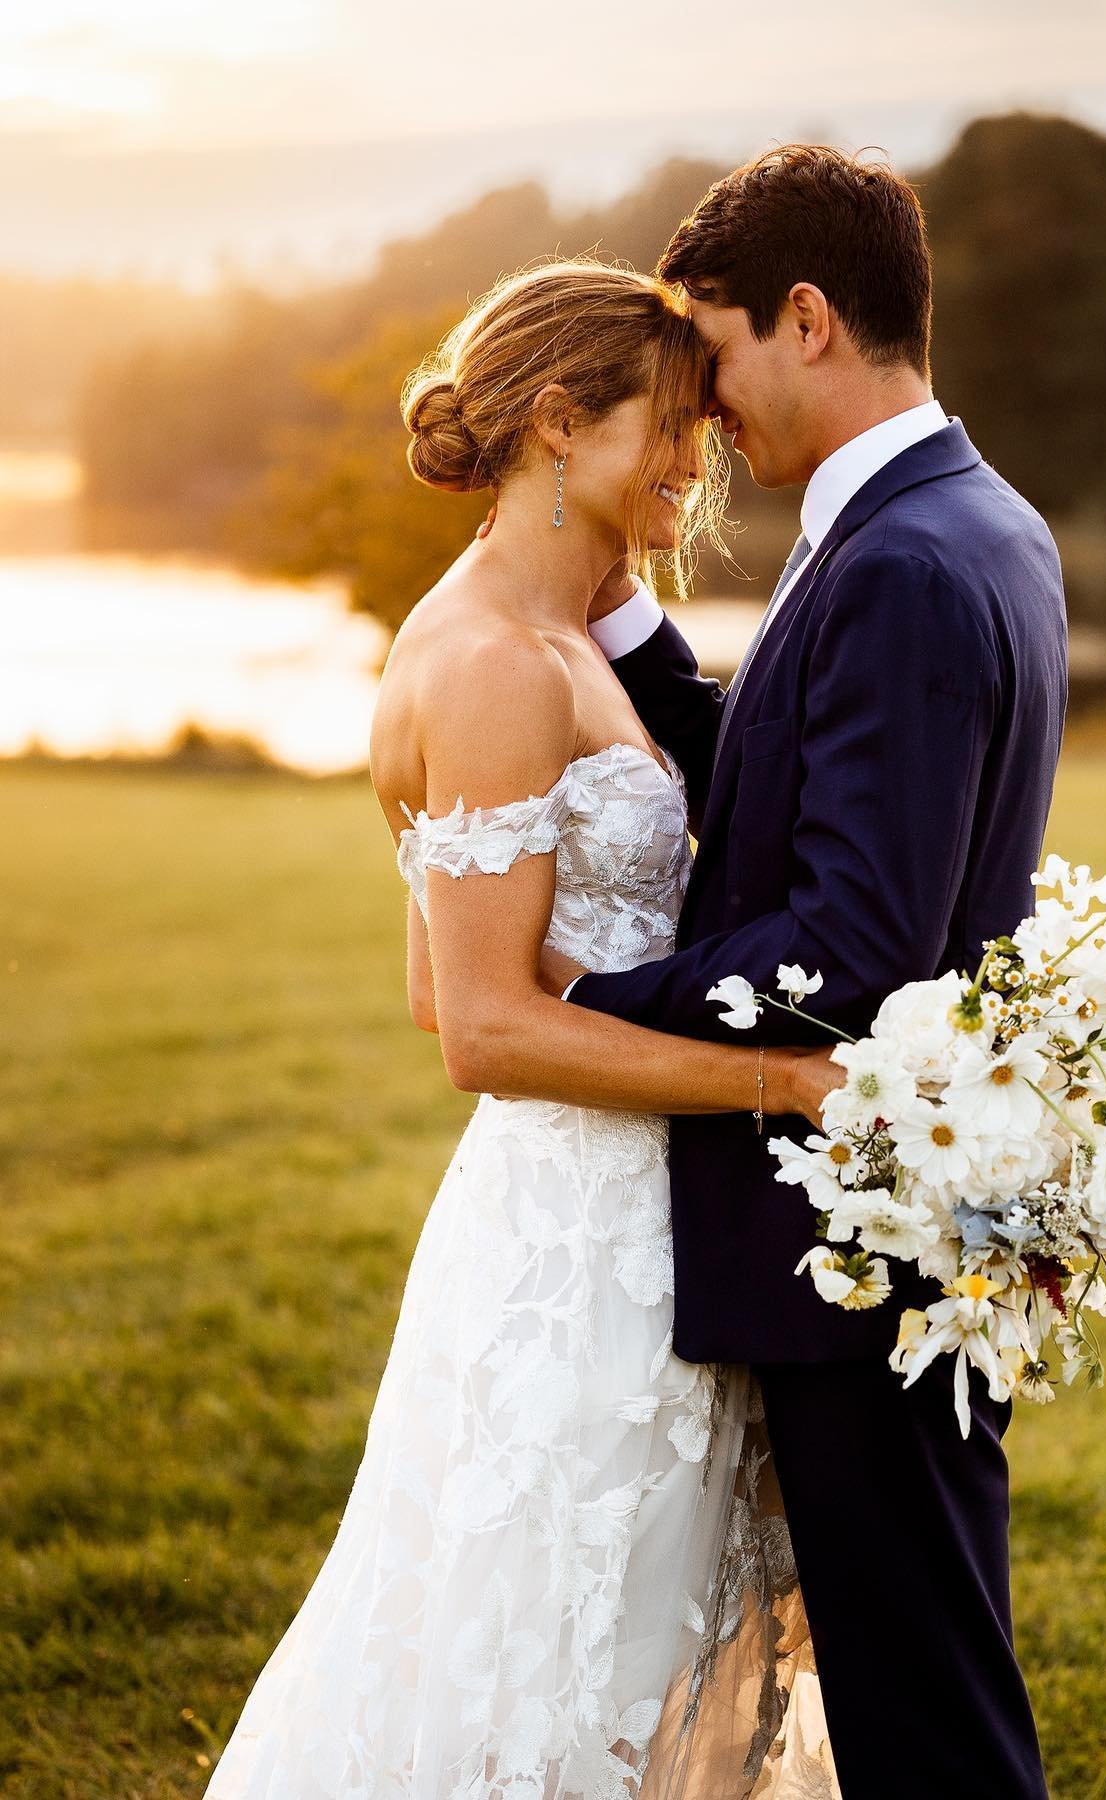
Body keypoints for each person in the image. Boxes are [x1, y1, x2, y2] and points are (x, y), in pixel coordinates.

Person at [204, 260, 837, 1800]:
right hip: (577, 1249)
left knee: (639, 1644)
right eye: (669, 429)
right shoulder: (487, 661)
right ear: (561, 422)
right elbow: (476, 1031)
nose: (695, 460)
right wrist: (784, 1079)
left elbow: (444, 977)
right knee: (559, 1661)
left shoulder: (571, 630)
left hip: (623, 1211)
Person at [548, 147, 1066, 1797]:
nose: (703, 407)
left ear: (810, 318)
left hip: (859, 1249)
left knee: (926, 1719)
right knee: (922, 1668)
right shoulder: (968, 520)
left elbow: (844, 944)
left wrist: (573, 1015)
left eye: (714, 351)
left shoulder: (902, 563)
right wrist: (628, 627)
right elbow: (791, 793)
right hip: (904, 1225)